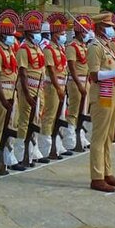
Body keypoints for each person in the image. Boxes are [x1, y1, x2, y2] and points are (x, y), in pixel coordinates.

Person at [86, 12, 115, 193]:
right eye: (107, 26)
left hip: (114, 92)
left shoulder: (107, 46)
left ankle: (107, 172)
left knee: (109, 136)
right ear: (98, 27)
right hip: (103, 92)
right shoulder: (95, 47)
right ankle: (97, 177)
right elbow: (95, 75)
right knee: (99, 137)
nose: (111, 28)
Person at [0, 9, 21, 173]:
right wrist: (3, 99)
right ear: (1, 36)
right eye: (10, 35)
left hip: (12, 92)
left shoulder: (11, 51)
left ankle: (8, 156)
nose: (13, 38)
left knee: (11, 125)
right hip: (2, 93)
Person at [13, 10, 48, 167]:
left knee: (36, 119)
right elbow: (22, 72)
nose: (38, 34)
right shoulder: (23, 49)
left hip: (39, 87)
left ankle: (32, 150)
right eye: (35, 31)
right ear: (27, 33)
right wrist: (26, 94)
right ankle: (21, 154)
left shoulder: (37, 48)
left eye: (38, 31)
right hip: (28, 87)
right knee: (25, 120)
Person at [40, 13, 72, 159]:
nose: (64, 36)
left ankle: (57, 144)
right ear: (53, 35)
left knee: (60, 116)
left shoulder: (60, 48)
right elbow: (51, 70)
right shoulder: (48, 49)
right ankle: (46, 147)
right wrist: (59, 88)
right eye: (61, 33)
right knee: (50, 116)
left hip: (62, 84)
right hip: (53, 86)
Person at [65, 14, 92, 150]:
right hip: (76, 82)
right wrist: (79, 84)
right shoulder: (72, 46)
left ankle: (81, 136)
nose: (86, 34)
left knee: (84, 112)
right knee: (74, 111)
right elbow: (72, 67)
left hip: (85, 81)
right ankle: (70, 138)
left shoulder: (84, 46)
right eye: (85, 31)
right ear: (79, 32)